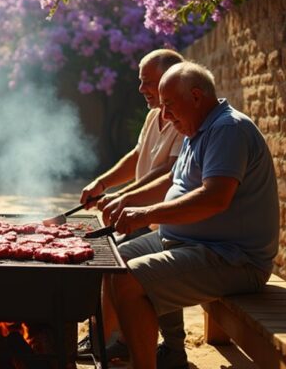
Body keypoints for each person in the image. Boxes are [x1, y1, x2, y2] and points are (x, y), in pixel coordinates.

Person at [101, 61, 279, 369]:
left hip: (233, 258)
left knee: (128, 281)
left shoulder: (227, 129)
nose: (165, 115)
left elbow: (215, 198)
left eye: (169, 105)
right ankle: (105, 346)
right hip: (188, 243)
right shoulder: (199, 127)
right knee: (112, 264)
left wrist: (145, 215)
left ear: (196, 96)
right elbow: (172, 180)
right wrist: (125, 199)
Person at [77, 49, 185, 360]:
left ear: (169, 80)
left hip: (165, 218)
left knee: (123, 261)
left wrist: (124, 197)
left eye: (147, 82)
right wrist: (102, 183)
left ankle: (168, 347)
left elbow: (168, 173)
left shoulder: (182, 118)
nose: (141, 89)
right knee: (117, 257)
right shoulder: (154, 116)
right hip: (142, 216)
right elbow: (138, 156)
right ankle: (118, 337)